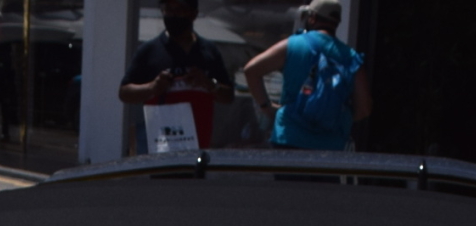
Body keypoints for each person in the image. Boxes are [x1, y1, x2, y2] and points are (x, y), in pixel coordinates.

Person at [240, 0, 366, 153]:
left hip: (289, 138)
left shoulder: (293, 45)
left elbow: (251, 70)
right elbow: (364, 108)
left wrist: (266, 107)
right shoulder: (351, 57)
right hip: (331, 146)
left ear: (312, 18)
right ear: (336, 23)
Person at [118, 0, 232, 152]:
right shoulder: (150, 50)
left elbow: (228, 96)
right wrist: (152, 87)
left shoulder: (208, 51)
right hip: (160, 147)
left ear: (193, 14)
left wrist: (209, 84)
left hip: (199, 148)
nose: (173, 14)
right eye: (168, 9)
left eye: (180, 9)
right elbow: (124, 93)